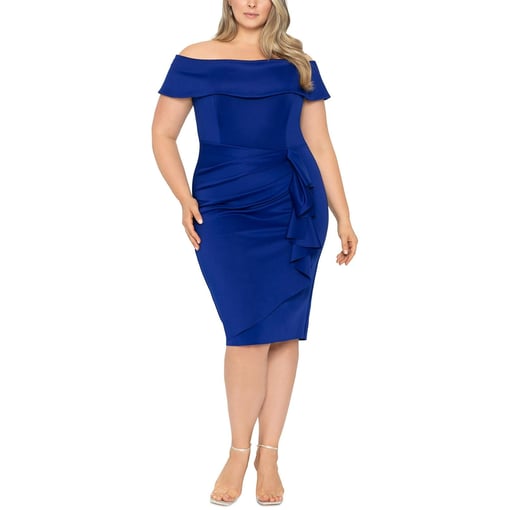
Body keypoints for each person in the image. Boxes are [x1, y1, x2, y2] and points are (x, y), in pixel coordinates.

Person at [151, 0, 358, 505]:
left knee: (283, 332)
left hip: (292, 203)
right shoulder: (195, 57)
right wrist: (183, 198)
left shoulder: (298, 64)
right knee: (245, 332)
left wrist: (343, 216)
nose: (251, 2)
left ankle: (269, 455)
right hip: (222, 206)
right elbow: (163, 133)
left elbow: (320, 144)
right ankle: (237, 452)